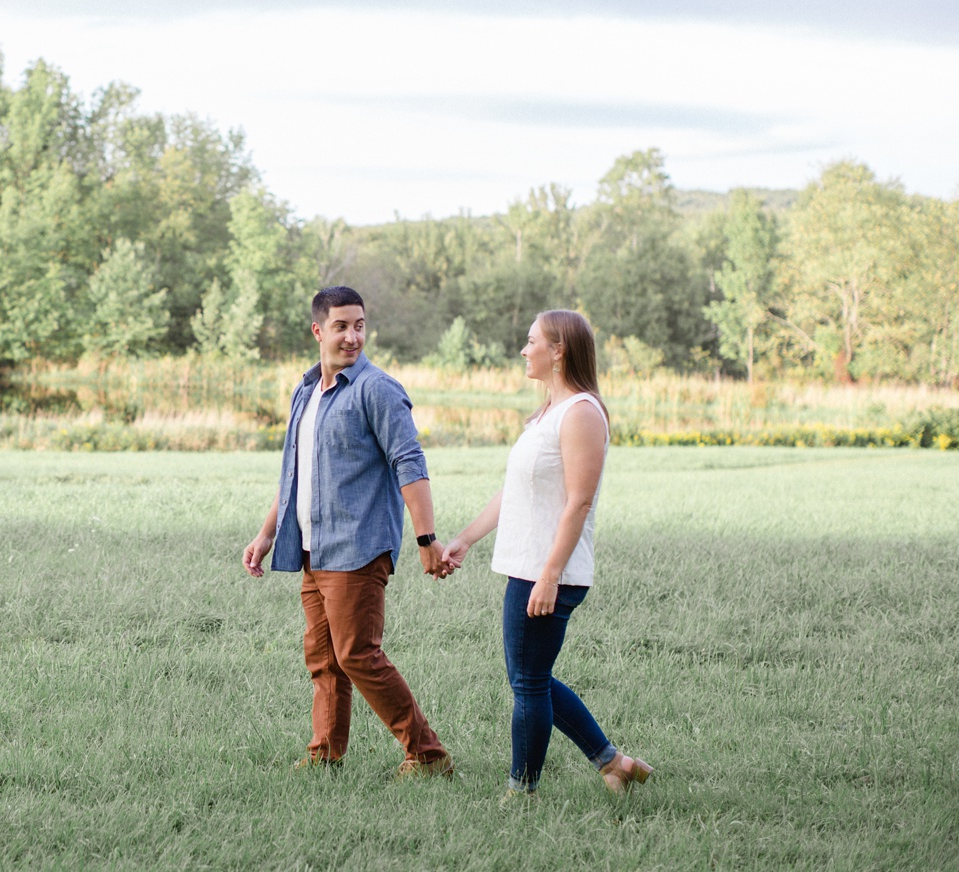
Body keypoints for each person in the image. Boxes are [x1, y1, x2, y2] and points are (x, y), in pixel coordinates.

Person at [241, 285, 454, 778]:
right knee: (323, 658)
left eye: (359, 325)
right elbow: (294, 473)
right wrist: (266, 533)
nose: (353, 336)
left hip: (357, 545)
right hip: (313, 547)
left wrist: (426, 538)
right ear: (318, 331)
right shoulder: (305, 391)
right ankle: (324, 756)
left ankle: (427, 755)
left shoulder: (376, 389)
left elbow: (409, 461)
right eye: (341, 326)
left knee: (357, 653)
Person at [440, 309, 653, 796]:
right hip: (528, 565)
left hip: (548, 570)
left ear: (558, 350)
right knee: (530, 677)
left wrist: (550, 573)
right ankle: (614, 763)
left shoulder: (581, 412)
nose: (523, 349)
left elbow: (579, 500)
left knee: (529, 682)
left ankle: (522, 792)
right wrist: (466, 538)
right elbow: (515, 491)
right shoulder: (548, 412)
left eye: (531, 340)